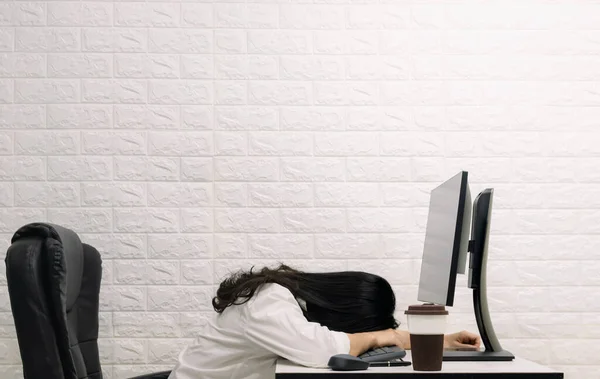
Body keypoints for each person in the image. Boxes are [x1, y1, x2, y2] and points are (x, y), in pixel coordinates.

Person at [168, 264, 481, 379]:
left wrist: (439, 341)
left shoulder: (283, 299)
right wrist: (375, 338)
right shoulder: (269, 300)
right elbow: (324, 350)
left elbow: (380, 335)